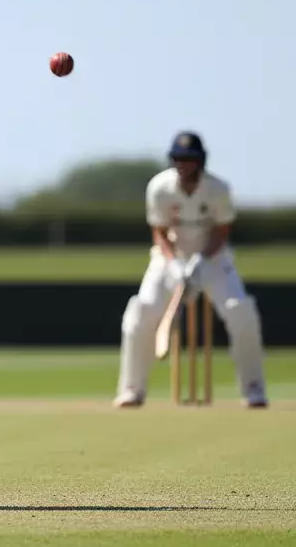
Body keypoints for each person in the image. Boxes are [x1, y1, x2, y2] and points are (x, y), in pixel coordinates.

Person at [112, 131, 269, 408]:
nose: (183, 165)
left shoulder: (218, 189)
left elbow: (222, 231)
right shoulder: (159, 187)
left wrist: (201, 260)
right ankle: (132, 389)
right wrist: (174, 263)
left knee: (240, 310)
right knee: (140, 312)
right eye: (178, 159)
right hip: (168, 259)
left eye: (189, 159)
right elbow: (159, 232)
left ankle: (253, 388)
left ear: (200, 161)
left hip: (213, 259)